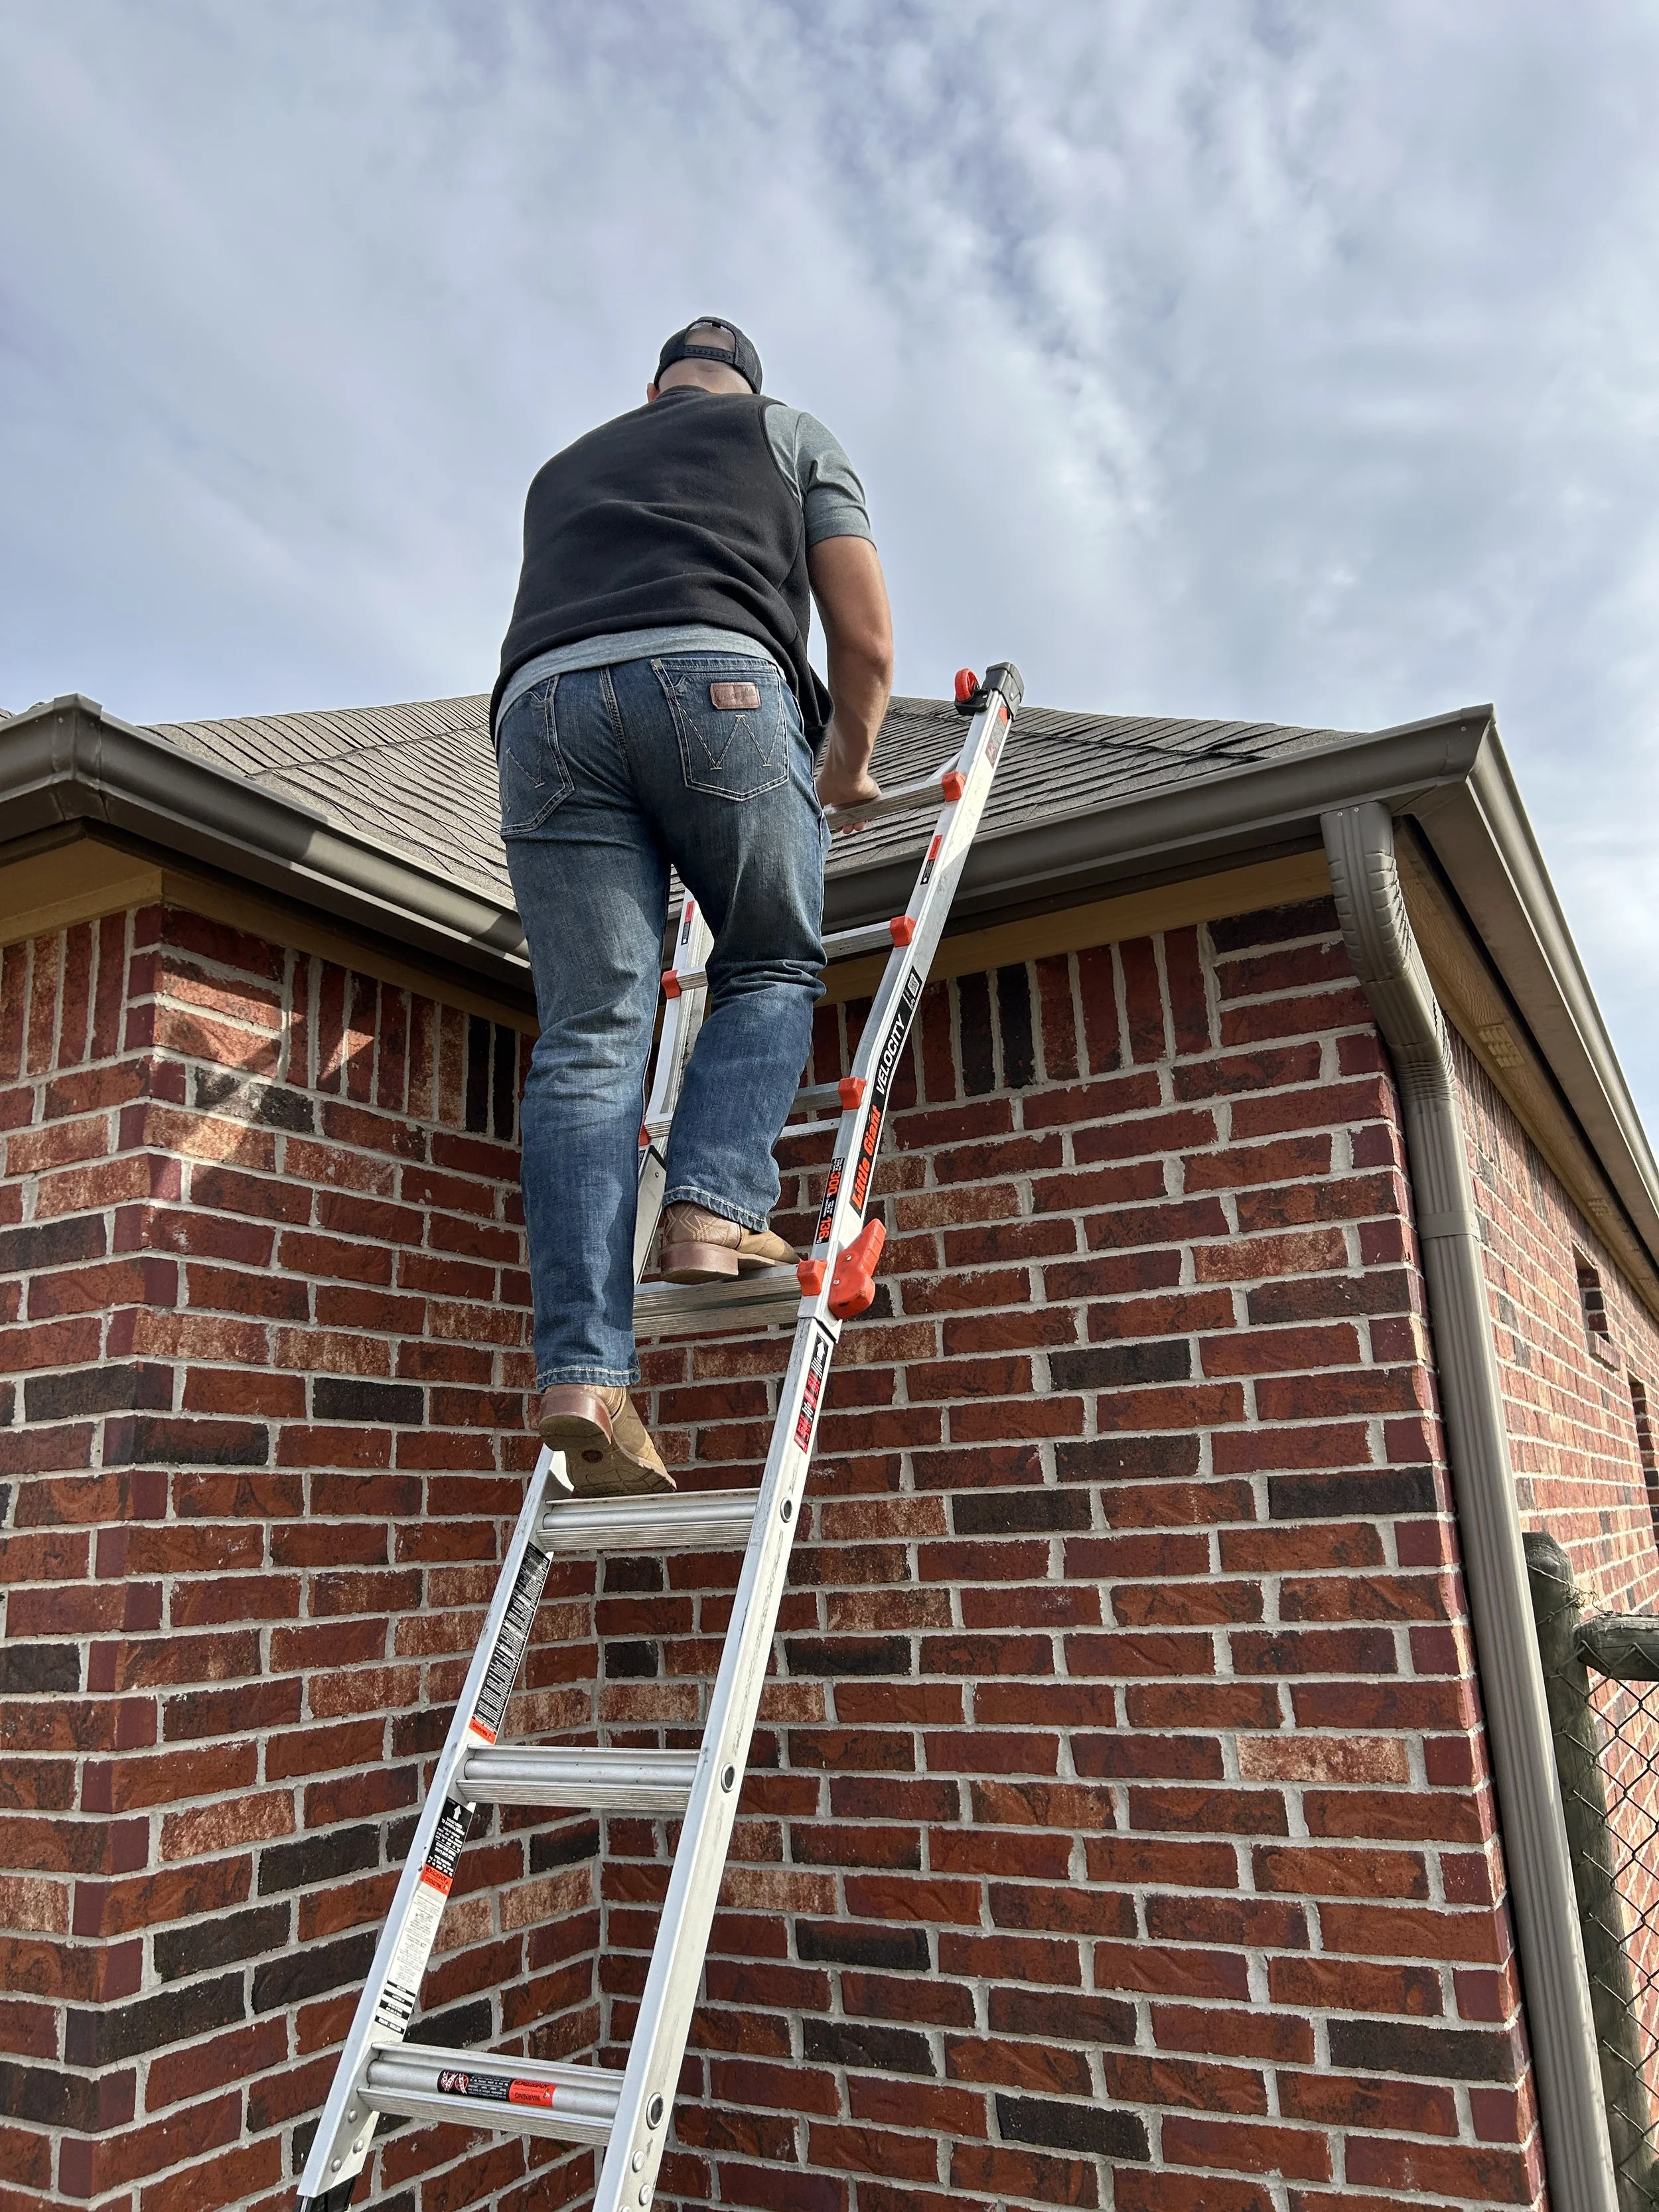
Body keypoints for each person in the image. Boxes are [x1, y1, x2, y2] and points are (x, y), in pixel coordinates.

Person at [492, 317, 895, 1499]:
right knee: (768, 957)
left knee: (588, 1037)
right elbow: (864, 638)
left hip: (542, 716)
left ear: (653, 389)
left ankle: (582, 1377)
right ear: (745, 388)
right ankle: (713, 1211)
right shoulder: (789, 435)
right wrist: (852, 761)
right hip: (715, 681)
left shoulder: (565, 468)